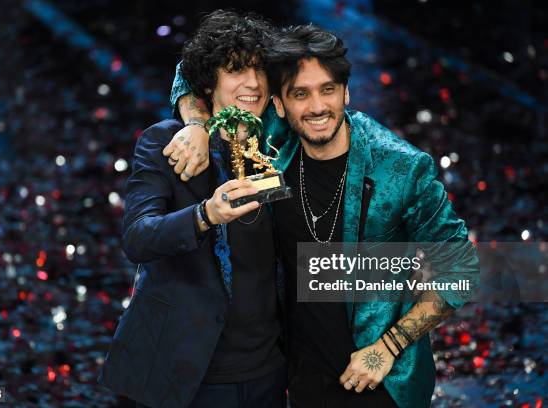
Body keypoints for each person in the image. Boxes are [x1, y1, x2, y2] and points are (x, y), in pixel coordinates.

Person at [167, 22, 479, 408]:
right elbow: (191, 69)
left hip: (380, 383)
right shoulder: (276, 137)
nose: (316, 107)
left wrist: (388, 347)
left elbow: (460, 266)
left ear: (346, 92)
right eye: (300, 94)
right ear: (278, 104)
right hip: (298, 380)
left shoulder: (400, 168)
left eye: (328, 90)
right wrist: (197, 125)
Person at [98, 10, 287, 408]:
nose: (251, 83)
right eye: (236, 70)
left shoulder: (276, 151)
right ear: (208, 81)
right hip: (186, 374)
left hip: (267, 373)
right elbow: (137, 238)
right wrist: (205, 215)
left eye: (259, 70)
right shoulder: (167, 144)